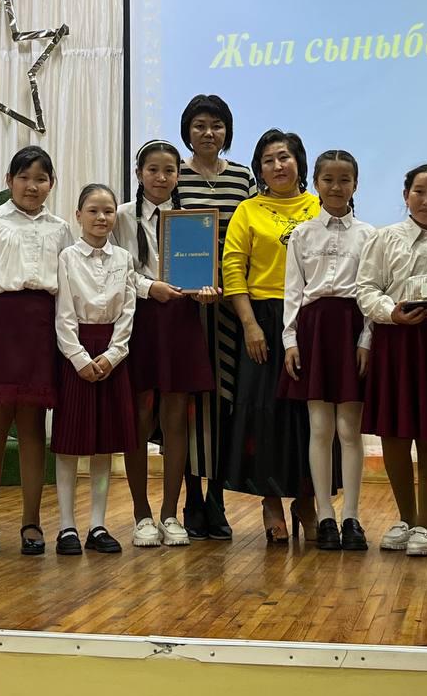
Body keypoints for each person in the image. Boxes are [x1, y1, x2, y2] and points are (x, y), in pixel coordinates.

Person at [0, 146, 71, 558]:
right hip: (0, 327)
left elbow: (68, 288)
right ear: (9, 180)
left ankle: (31, 522)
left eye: (40, 179)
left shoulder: (60, 228)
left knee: (34, 428)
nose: (31, 186)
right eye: (23, 177)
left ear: (51, 184)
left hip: (43, 330)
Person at [355, 163, 427, 558]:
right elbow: (366, 289)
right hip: (395, 341)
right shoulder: (384, 238)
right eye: (419, 192)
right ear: (406, 196)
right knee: (395, 432)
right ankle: (405, 518)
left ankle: (426, 523)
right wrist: (392, 312)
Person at [114, 141, 217, 548]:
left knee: (177, 417)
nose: (161, 177)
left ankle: (171, 514)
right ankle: (141, 514)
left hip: (181, 319)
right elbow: (114, 268)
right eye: (153, 170)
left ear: (178, 175)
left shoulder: (192, 219)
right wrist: (148, 287)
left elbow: (203, 270)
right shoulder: (121, 216)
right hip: (137, 318)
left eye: (169, 170)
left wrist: (206, 290)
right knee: (138, 416)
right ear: (139, 173)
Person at [222, 129, 319, 543]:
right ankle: (272, 502)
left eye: (284, 157)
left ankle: (308, 501)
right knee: (264, 413)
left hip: (312, 319)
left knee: (310, 415)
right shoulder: (248, 210)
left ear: (299, 162)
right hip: (262, 316)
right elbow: (233, 269)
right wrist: (250, 325)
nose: (277, 166)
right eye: (267, 160)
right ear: (259, 169)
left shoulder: (320, 206)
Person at [280, 150, 375, 551]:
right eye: (328, 179)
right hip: (313, 330)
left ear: (356, 184)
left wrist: (366, 339)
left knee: (349, 430)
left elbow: (372, 291)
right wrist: (289, 340)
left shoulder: (369, 235)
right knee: (320, 428)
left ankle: (351, 516)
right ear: (315, 183)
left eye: (344, 180)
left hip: (352, 328)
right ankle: (324, 515)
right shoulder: (302, 234)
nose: (336, 187)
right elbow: (293, 291)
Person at [177, 95, 256, 541]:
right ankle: (192, 498)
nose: (209, 133)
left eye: (217, 125)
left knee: (227, 403)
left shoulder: (244, 177)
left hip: (233, 308)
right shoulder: (175, 173)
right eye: (200, 125)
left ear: (228, 131)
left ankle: (217, 499)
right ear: (187, 130)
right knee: (192, 403)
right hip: (187, 310)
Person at [51, 184, 138, 556]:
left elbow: (128, 312)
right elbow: (63, 315)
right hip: (76, 356)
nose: (101, 218)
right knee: (69, 445)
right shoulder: (66, 258)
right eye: (93, 211)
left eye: (108, 211)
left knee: (104, 446)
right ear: (78, 215)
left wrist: (114, 354)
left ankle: (98, 525)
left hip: (112, 357)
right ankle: (66, 526)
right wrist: (80, 359)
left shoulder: (124, 259)